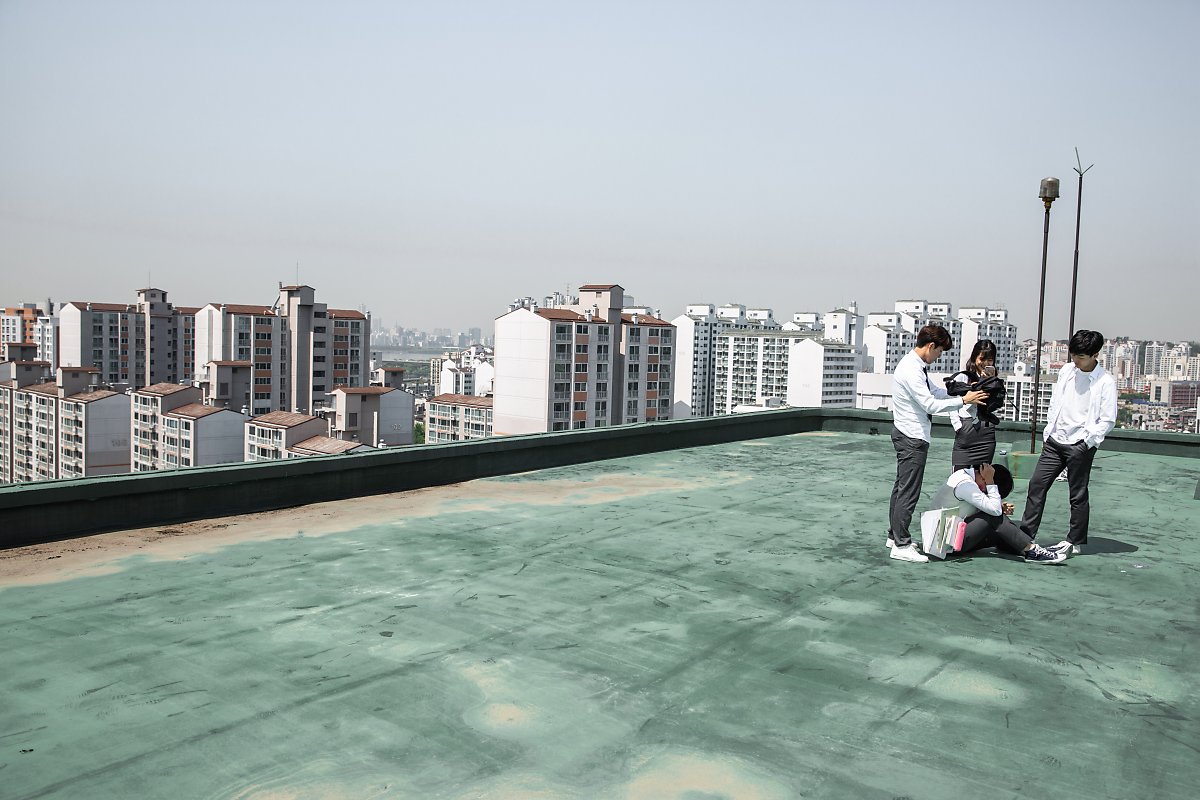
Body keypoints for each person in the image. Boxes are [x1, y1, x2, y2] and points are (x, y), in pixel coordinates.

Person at [887, 324, 988, 563]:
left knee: (901, 488)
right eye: (940, 351)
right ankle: (901, 544)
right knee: (908, 492)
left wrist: (963, 393)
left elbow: (935, 393)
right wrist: (964, 401)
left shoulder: (915, 366)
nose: (939, 356)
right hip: (912, 437)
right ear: (931, 346)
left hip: (909, 434)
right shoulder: (911, 370)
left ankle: (895, 536)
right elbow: (930, 404)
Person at [1018, 329, 1118, 557]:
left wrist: (1087, 442)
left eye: (1081, 356)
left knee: (1077, 494)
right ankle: (1025, 536)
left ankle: (1075, 541)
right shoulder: (1067, 371)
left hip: (1080, 444)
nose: (1075, 360)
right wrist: (1049, 433)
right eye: (1073, 355)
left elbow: (1108, 420)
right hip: (1055, 441)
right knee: (1037, 485)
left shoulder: (1105, 382)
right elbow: (1056, 402)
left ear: (1095, 355)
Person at [937, 463, 1066, 564]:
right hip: (947, 544)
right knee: (994, 517)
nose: (984, 492)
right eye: (986, 490)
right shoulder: (965, 484)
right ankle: (1031, 550)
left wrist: (998, 506)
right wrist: (991, 482)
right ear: (986, 479)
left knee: (1008, 530)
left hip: (953, 536)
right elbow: (995, 511)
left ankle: (1031, 547)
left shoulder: (965, 476)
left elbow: (968, 509)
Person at [945, 339, 1001, 470]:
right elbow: (950, 400)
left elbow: (996, 404)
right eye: (982, 359)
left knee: (982, 476)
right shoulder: (963, 377)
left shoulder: (994, 380)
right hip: (966, 427)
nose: (985, 363)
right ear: (974, 357)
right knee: (959, 474)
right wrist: (957, 425)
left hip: (986, 430)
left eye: (990, 360)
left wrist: (989, 382)